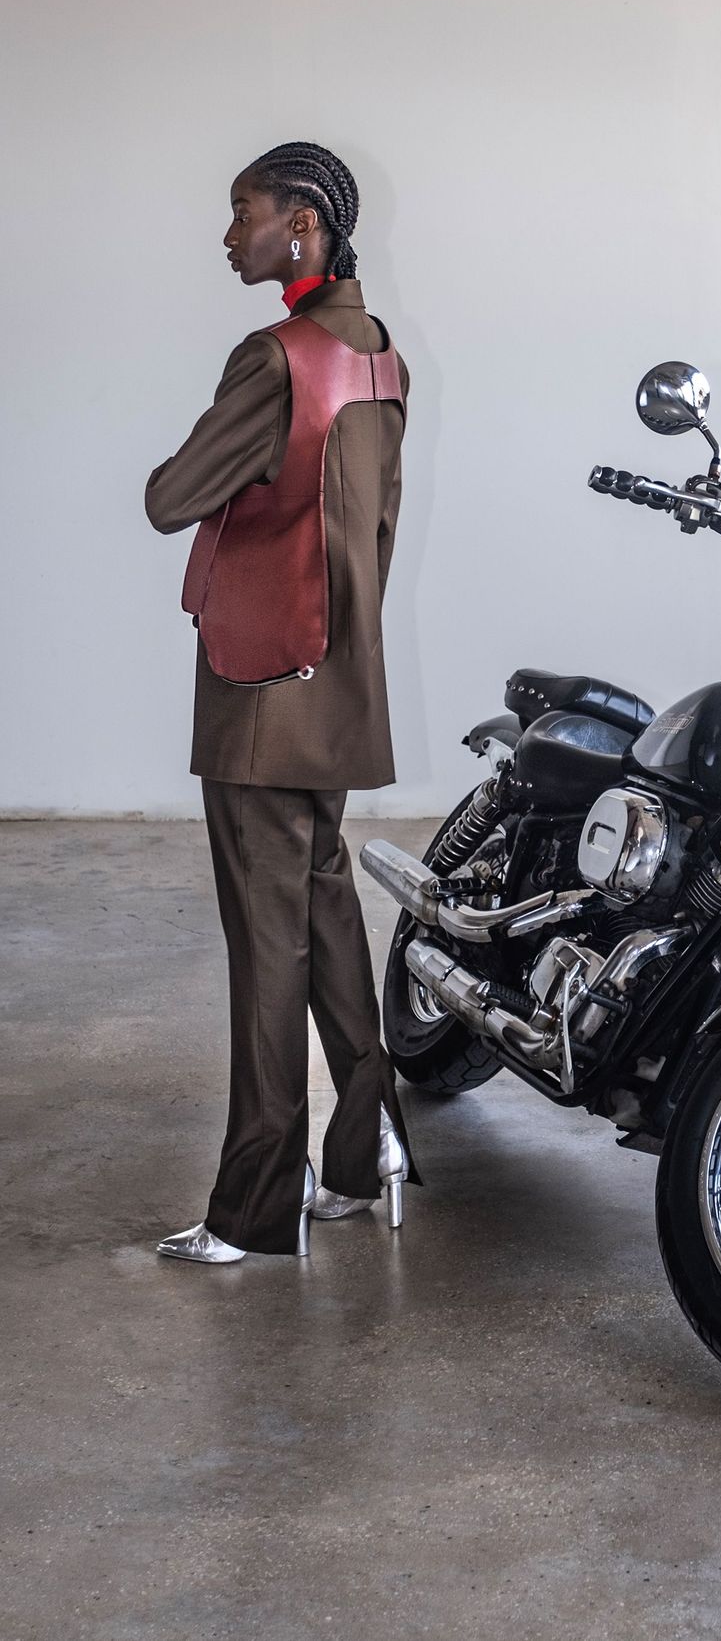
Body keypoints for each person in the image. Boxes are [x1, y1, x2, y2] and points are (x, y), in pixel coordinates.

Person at [145, 141, 418, 1263]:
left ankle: (255, 1209)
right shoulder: (382, 357)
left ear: (301, 224)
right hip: (339, 682)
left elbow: (170, 497)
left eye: (241, 211)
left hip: (260, 692)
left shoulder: (274, 357)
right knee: (325, 920)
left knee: (267, 950)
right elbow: (373, 527)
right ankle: (367, 1156)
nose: (228, 234)